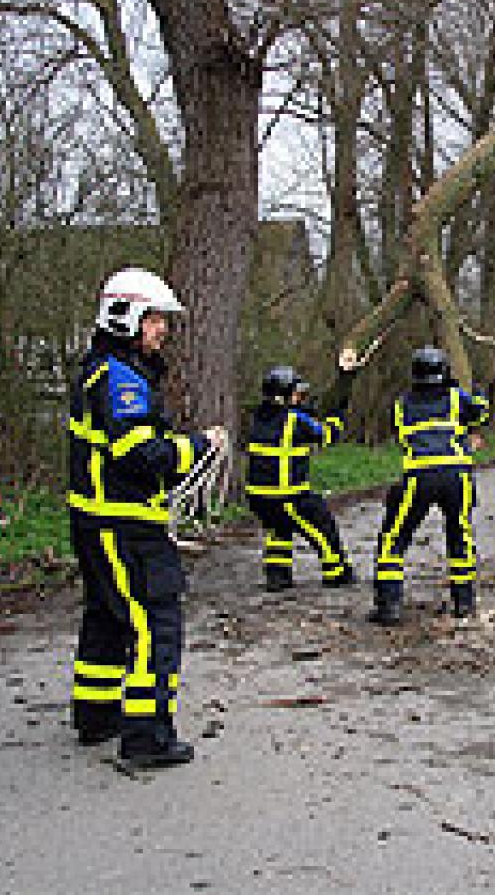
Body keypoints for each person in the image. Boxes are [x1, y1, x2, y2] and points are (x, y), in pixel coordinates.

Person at [66, 267, 224, 769]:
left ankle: (95, 715)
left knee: (106, 617)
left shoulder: (104, 369)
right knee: (156, 620)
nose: (162, 330)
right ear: (126, 316)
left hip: (100, 520)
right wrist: (200, 445)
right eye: (155, 319)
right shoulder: (119, 378)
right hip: (123, 524)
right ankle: (148, 735)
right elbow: (140, 454)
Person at [370, 346, 491, 627]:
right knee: (459, 536)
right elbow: (479, 415)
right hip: (456, 476)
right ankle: (464, 602)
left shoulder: (401, 405)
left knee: (394, 538)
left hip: (418, 476)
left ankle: (389, 605)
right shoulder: (455, 397)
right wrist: (481, 395)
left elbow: (402, 439)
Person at [244, 364, 357, 592]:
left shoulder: (258, 417)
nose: (301, 397)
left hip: (258, 498)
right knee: (322, 527)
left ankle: (277, 576)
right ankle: (337, 572)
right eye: (296, 393)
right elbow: (327, 436)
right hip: (287, 495)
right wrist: (338, 414)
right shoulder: (294, 420)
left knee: (278, 529)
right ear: (282, 395)